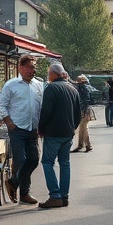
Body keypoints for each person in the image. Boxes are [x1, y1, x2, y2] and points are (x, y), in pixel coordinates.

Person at [0, 54, 44, 205]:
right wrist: (9, 122)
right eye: (30, 67)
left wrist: (41, 126)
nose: (33, 71)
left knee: (34, 160)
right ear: (20, 68)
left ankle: (13, 182)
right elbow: (0, 104)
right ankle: (24, 193)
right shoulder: (11, 85)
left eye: (34, 68)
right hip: (17, 128)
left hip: (32, 129)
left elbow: (41, 107)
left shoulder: (38, 85)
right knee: (21, 161)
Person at [37, 62, 81, 209]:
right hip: (67, 133)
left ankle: (55, 195)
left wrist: (41, 129)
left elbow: (46, 112)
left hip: (54, 133)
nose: (48, 76)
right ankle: (64, 196)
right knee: (65, 164)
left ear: (53, 74)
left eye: (49, 73)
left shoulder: (51, 88)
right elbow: (78, 115)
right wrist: (72, 128)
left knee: (47, 162)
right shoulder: (72, 89)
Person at [72, 74, 94, 152]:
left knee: (83, 128)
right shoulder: (84, 87)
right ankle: (82, 145)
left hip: (83, 110)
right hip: (85, 110)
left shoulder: (82, 88)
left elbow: (85, 100)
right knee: (82, 128)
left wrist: (83, 110)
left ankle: (87, 145)